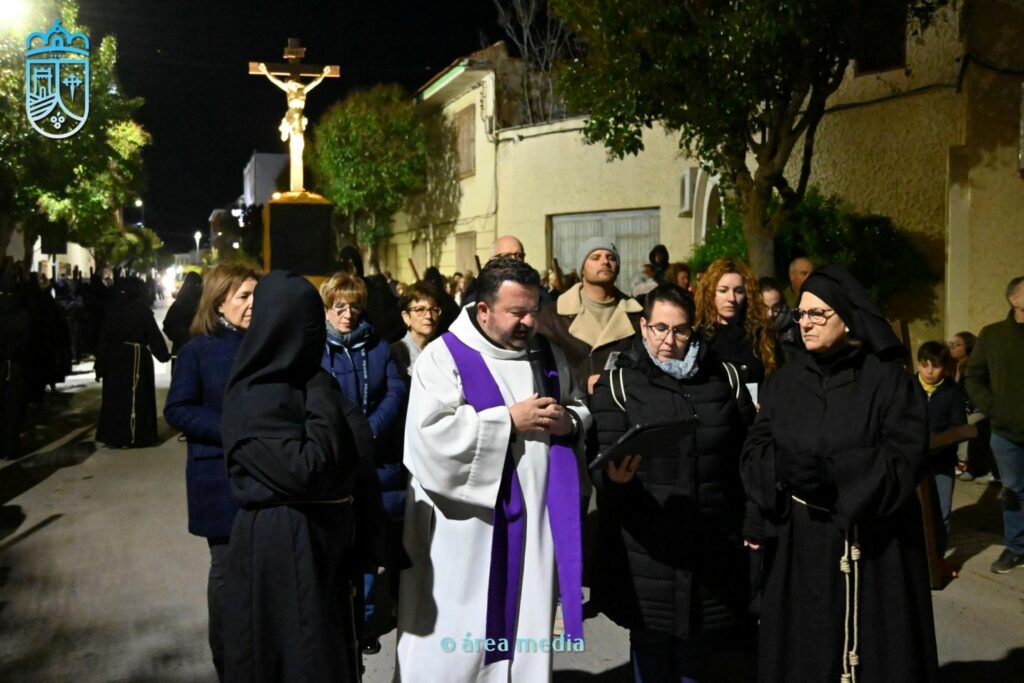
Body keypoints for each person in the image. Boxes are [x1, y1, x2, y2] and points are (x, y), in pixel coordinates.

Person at [396, 257, 592, 682]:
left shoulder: (547, 354)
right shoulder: (442, 358)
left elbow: (578, 407)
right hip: (466, 534)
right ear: (483, 310)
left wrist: (571, 421)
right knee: (455, 647)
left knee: (527, 631)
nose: (527, 321)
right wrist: (507, 421)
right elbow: (429, 440)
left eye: (533, 310)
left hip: (535, 527)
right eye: (516, 312)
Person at [740, 264, 938, 683]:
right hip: (800, 543)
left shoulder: (889, 382)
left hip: (874, 546)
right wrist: (784, 470)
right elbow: (755, 449)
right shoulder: (786, 381)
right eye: (801, 314)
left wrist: (837, 476)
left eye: (817, 314)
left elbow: (905, 457)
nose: (805, 323)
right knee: (806, 652)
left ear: (848, 319)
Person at [590, 284, 757, 682]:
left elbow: (751, 458)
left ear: (693, 330)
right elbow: (600, 460)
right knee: (651, 656)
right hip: (647, 550)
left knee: (698, 661)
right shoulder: (619, 383)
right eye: (660, 328)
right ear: (644, 327)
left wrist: (753, 522)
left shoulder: (726, 378)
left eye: (679, 330)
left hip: (712, 544)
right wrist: (616, 481)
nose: (669, 340)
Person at [221, 271, 363, 683]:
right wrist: (320, 390)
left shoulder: (300, 383)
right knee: (300, 659)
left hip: (318, 540)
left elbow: (358, 447)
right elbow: (310, 467)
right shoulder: (255, 395)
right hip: (284, 547)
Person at [163, 264, 259, 681]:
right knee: (226, 571)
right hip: (217, 476)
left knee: (262, 571)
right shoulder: (197, 350)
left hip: (267, 476)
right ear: (220, 301)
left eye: (258, 295)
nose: (253, 305)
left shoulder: (266, 344)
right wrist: (230, 430)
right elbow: (177, 409)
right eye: (243, 296)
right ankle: (228, 661)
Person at [319, 271, 406, 654]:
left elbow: (395, 390)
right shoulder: (314, 347)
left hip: (374, 458)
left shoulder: (378, 346)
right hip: (334, 460)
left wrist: (370, 431)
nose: (348, 313)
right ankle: (336, 619)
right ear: (326, 308)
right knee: (335, 547)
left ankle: (366, 623)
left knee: (370, 547)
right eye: (339, 306)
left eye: (354, 305)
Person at [964, 275, 1024, 573]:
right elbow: (973, 377)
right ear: (1014, 299)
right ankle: (1016, 548)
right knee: (1013, 492)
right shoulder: (993, 336)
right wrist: (992, 408)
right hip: (1006, 431)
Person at [535, 237, 643, 395]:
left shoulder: (637, 315)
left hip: (624, 402)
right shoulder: (554, 316)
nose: (605, 262)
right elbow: (544, 367)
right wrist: (583, 382)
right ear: (582, 269)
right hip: (576, 406)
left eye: (611, 257)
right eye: (595, 257)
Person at [95, 277, 171, 448]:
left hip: (114, 359)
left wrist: (100, 365)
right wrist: (163, 355)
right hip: (136, 358)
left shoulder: (112, 310)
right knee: (136, 395)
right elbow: (153, 336)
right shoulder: (141, 311)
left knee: (116, 396)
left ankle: (116, 436)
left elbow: (103, 339)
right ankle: (136, 436)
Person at [914, 341, 967, 562]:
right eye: (925, 365)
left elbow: (959, 426)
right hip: (913, 461)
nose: (929, 371)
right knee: (914, 513)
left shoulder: (951, 392)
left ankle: (937, 561)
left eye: (935, 366)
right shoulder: (908, 387)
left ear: (944, 367)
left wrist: (939, 444)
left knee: (942, 513)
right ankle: (916, 560)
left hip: (942, 460)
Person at [694, 258, 778, 389]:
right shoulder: (699, 337)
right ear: (710, 293)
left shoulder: (760, 336)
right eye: (723, 290)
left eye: (739, 291)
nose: (731, 298)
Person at [164, 272, 203, 359]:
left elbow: (167, 326)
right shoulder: (204, 305)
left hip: (181, 349)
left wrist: (179, 338)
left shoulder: (178, 304)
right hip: (201, 349)